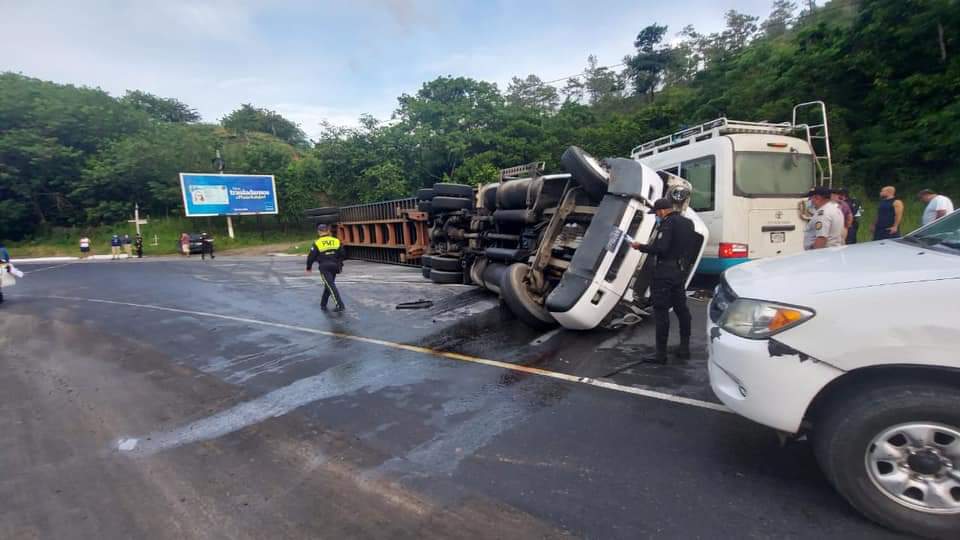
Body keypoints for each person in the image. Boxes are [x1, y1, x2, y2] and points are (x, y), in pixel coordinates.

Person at [630, 198, 699, 364]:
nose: (657, 217)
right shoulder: (688, 222)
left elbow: (661, 248)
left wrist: (640, 246)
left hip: (664, 272)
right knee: (681, 309)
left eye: (656, 214)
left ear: (661, 211)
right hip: (679, 270)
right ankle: (684, 348)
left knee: (661, 312)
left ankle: (660, 354)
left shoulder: (667, 224)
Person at [306, 223, 346, 312]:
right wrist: (339, 264)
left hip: (325, 267)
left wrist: (309, 267)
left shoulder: (317, 243)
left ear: (319, 232)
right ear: (328, 231)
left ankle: (340, 305)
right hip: (335, 266)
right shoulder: (336, 240)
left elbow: (311, 257)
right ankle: (323, 304)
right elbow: (343, 254)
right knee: (329, 284)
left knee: (330, 285)